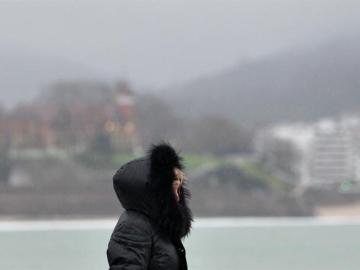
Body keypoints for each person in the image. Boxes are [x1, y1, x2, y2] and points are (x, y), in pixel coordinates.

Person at [107, 142, 193, 270]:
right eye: (171, 189)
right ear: (157, 190)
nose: (177, 196)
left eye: (179, 189)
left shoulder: (160, 227)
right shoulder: (133, 225)